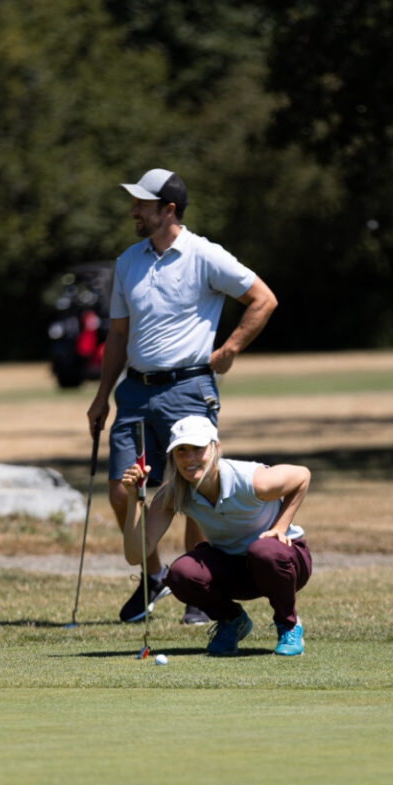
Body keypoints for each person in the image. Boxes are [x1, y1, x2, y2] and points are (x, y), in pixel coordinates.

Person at [87, 168, 278, 625]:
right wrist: (101, 397)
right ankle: (155, 576)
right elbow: (117, 335)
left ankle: (198, 585)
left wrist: (230, 349)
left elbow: (263, 299)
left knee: (193, 489)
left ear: (168, 209)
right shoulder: (128, 260)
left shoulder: (204, 254)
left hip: (189, 387)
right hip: (134, 390)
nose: (133, 211)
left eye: (142, 204)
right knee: (121, 490)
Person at [121, 415, 312, 656]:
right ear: (173, 456)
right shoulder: (174, 493)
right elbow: (136, 553)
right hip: (235, 571)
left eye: (198, 449)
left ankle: (289, 625)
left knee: (264, 550)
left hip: (284, 563)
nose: (190, 458)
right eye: (181, 451)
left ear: (215, 448)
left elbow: (303, 475)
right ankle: (232, 621)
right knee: (181, 574)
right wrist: (133, 499)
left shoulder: (251, 480)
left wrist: (280, 528)